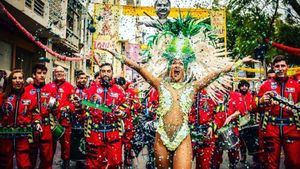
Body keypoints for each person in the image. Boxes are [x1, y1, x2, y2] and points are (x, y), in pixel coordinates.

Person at [103, 42, 254, 169]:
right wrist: (118, 56)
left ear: (185, 68)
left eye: (180, 63)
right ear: (169, 68)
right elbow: (139, 68)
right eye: (173, 63)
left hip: (182, 136)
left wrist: (238, 64)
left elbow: (216, 73)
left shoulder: (193, 87)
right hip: (161, 135)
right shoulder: (160, 85)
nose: (176, 65)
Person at [255, 55, 300, 169]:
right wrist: (260, 101)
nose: (280, 68)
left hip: (292, 128)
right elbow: (253, 107)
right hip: (271, 128)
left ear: (287, 67)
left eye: (283, 66)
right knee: (270, 164)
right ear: (273, 67)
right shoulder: (266, 85)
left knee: (295, 163)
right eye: (277, 66)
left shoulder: (296, 85)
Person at [85, 63, 128, 169]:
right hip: (95, 134)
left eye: (108, 71)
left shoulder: (118, 90)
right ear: (100, 73)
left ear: (112, 73)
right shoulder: (92, 89)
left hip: (113, 134)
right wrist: (90, 105)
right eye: (103, 71)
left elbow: (126, 106)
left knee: (114, 163)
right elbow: (85, 106)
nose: (106, 74)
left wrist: (122, 112)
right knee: (94, 165)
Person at [0, 69, 42, 169]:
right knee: (5, 162)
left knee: (24, 163)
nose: (18, 80)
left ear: (23, 81)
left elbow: (35, 113)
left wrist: (37, 123)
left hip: (23, 134)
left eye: (20, 78)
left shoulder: (29, 97)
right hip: (6, 135)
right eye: (14, 78)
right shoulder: (3, 97)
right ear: (10, 81)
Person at [26, 64, 56, 169]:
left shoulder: (50, 89)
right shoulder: (26, 90)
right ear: (34, 75)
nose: (42, 75)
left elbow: (53, 108)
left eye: (44, 73)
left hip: (47, 127)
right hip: (31, 128)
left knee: (47, 157)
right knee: (30, 156)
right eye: (39, 73)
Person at [50, 66, 75, 169]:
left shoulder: (70, 87)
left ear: (64, 74)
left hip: (65, 121)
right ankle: (49, 164)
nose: (59, 73)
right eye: (57, 72)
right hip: (51, 122)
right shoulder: (48, 86)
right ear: (54, 73)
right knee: (51, 145)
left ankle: (65, 164)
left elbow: (75, 103)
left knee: (66, 144)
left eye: (61, 72)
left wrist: (68, 108)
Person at [115, 77, 142, 168]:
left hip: (128, 120)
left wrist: (131, 108)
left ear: (124, 85)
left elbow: (137, 105)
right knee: (117, 141)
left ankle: (127, 156)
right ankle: (117, 159)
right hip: (116, 119)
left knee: (128, 140)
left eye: (121, 86)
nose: (119, 88)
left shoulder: (132, 92)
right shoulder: (114, 91)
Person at [189, 89, 218, 169]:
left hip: (207, 134)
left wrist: (212, 126)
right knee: (184, 164)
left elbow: (221, 112)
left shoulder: (214, 91)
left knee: (204, 165)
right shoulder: (187, 89)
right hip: (188, 134)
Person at [71, 71, 89, 168]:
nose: (83, 80)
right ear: (77, 79)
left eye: (85, 78)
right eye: (81, 78)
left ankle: (84, 160)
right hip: (74, 122)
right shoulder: (72, 91)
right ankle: (76, 161)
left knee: (85, 141)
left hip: (86, 122)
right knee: (75, 142)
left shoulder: (89, 91)